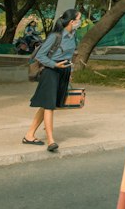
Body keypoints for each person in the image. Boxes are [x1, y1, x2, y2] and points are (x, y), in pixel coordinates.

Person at [23, 9, 82, 153]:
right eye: (79, 19)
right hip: (51, 72)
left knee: (46, 105)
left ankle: (29, 135)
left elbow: (69, 56)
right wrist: (55, 65)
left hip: (64, 72)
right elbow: (41, 56)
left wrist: (70, 73)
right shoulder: (55, 36)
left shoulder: (73, 36)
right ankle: (51, 140)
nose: (80, 22)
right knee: (49, 106)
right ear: (71, 22)